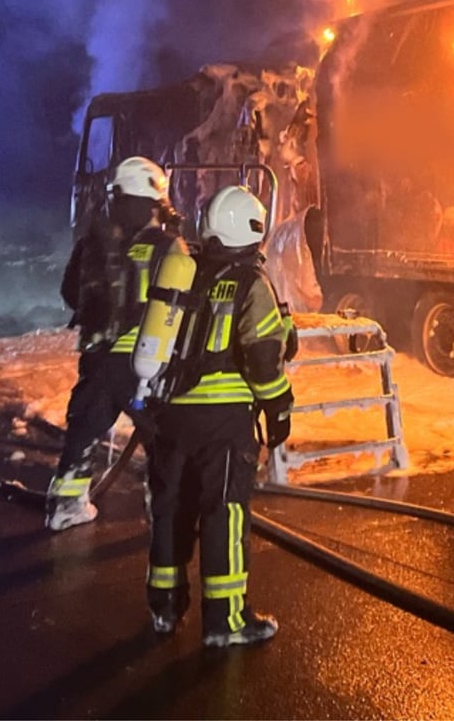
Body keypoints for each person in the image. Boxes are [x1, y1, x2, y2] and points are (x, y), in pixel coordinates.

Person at [144, 184, 293, 648]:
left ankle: (164, 608)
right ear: (252, 228)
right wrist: (279, 407)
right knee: (223, 511)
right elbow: (264, 359)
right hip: (222, 421)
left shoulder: (186, 272)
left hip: (170, 413)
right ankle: (226, 621)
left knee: (170, 508)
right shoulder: (252, 282)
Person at [47, 156, 185, 531]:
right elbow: (182, 304)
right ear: (152, 202)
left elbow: (69, 293)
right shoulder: (167, 246)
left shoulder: (93, 243)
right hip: (142, 361)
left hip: (95, 356)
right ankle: (163, 509)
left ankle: (66, 506)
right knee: (164, 438)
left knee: (85, 430)